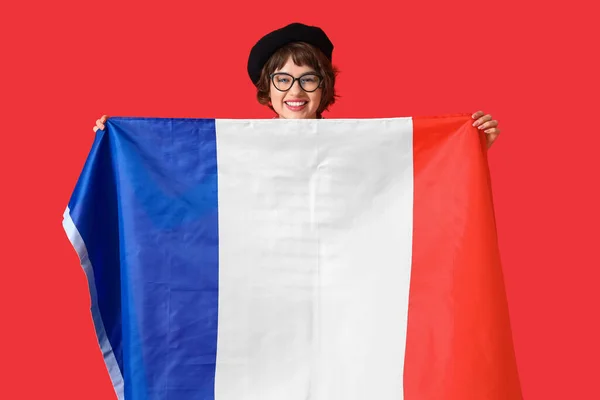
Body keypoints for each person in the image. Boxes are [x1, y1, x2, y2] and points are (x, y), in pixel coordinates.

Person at [93, 22, 500, 147]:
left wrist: (467, 145)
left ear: (324, 87)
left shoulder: (358, 141)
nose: (296, 91)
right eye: (283, 79)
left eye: (308, 79)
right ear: (267, 90)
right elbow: (180, 165)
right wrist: (122, 140)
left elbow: (414, 177)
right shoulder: (240, 145)